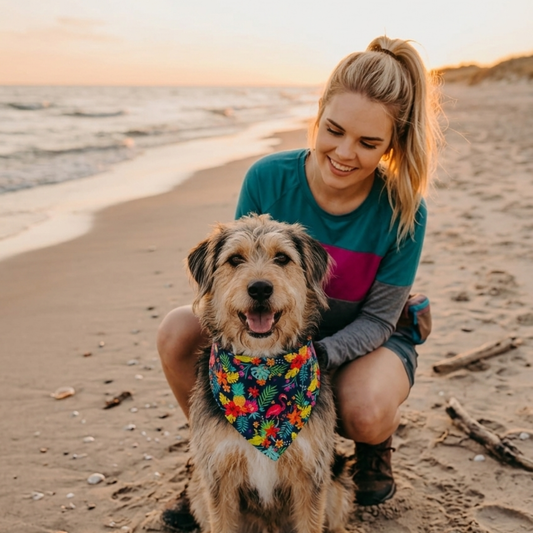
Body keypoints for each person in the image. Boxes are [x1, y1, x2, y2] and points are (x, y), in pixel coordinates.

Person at [157, 35, 442, 529]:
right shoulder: (268, 177)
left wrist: (313, 358)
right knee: (178, 330)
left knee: (366, 409)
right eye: (334, 130)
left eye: (369, 143)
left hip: (356, 342)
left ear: (392, 144)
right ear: (318, 113)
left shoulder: (404, 210)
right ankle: (216, 455)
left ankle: (372, 453)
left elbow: (377, 319)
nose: (345, 152)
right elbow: (235, 277)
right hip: (274, 334)